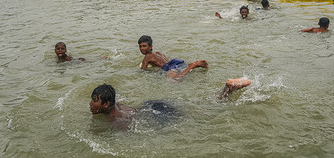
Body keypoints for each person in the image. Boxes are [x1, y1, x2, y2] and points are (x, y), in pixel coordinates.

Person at [90, 80, 251, 126]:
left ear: (106, 104)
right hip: (149, 105)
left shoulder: (117, 121)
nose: (90, 104)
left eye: (94, 101)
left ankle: (227, 90)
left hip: (153, 114)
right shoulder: (116, 104)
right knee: (203, 105)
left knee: (206, 115)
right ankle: (228, 88)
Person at [138, 35, 208, 79]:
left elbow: (142, 70)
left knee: (173, 80)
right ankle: (190, 66)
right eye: (140, 46)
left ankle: (193, 65)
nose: (142, 48)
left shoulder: (147, 57)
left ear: (150, 46)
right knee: (180, 71)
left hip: (169, 67)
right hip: (175, 63)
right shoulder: (158, 53)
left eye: (144, 46)